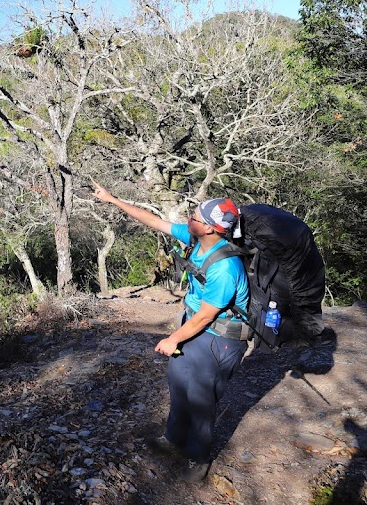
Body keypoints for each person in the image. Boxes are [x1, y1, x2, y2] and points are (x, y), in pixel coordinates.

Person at [92, 183, 249, 483]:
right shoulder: (194, 237)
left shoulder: (226, 267)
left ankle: (198, 457)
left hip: (221, 339)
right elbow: (152, 220)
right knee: (178, 382)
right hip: (195, 326)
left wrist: (172, 338)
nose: (189, 217)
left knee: (202, 398)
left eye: (195, 216)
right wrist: (113, 199)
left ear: (212, 229)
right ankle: (173, 439)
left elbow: (206, 315)